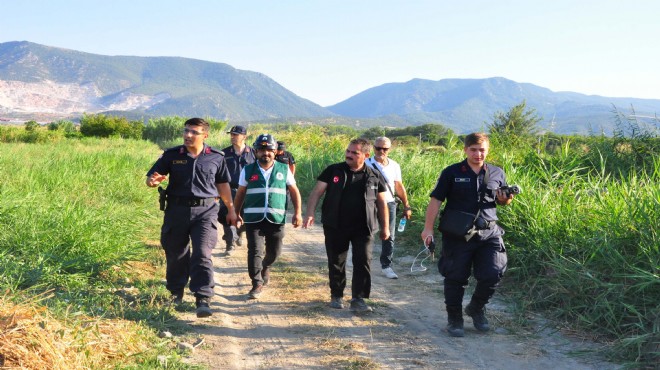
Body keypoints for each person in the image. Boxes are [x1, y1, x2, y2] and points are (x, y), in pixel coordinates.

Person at [421, 132, 514, 337]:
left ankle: (476, 308)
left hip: (489, 232)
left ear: (487, 150)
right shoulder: (452, 172)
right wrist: (428, 228)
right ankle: (454, 318)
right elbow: (436, 200)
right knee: (456, 277)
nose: (478, 154)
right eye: (473, 149)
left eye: (482, 150)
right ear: (465, 150)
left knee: (494, 272)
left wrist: (505, 199)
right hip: (458, 234)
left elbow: (501, 202)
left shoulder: (497, 172)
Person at [146, 117, 237, 318]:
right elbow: (151, 178)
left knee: (202, 253)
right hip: (176, 211)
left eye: (194, 132)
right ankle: (175, 292)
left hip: (205, 211)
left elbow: (223, 186)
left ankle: (203, 297)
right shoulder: (171, 155)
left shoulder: (216, 157)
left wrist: (231, 209)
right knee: (176, 253)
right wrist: (153, 182)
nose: (188, 135)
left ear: (205, 135)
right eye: (186, 131)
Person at [303, 138, 390, 313]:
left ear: (365, 155)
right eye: (348, 151)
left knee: (363, 261)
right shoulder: (334, 170)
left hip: (364, 227)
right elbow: (317, 192)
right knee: (336, 261)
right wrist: (310, 213)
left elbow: (382, 203)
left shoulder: (374, 175)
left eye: (354, 153)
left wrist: (385, 227)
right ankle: (336, 295)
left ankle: (359, 299)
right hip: (336, 225)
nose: (349, 155)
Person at [233, 134, 303, 299]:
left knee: (275, 251)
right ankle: (256, 283)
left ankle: (266, 266)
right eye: (262, 150)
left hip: (276, 217)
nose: (266, 153)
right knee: (254, 250)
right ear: (256, 151)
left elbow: (294, 191)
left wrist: (298, 213)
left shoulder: (284, 169)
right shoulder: (248, 169)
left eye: (269, 150)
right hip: (253, 218)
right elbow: (240, 193)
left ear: (276, 151)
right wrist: (235, 213)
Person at [365, 136, 412, 279]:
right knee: (366, 233)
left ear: (389, 149)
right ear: (373, 148)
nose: (381, 151)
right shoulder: (365, 163)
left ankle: (386, 266)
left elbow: (398, 186)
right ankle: (363, 262)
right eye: (378, 148)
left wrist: (406, 205)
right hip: (369, 203)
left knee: (389, 235)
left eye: (384, 149)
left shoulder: (394, 165)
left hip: (389, 203)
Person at [220, 125, 256, 254]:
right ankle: (230, 244)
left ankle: (240, 232)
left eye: (236, 134)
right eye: (232, 134)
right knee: (227, 216)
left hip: (248, 191)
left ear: (244, 137)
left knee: (246, 217)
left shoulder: (253, 153)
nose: (233, 137)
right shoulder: (224, 154)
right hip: (229, 190)